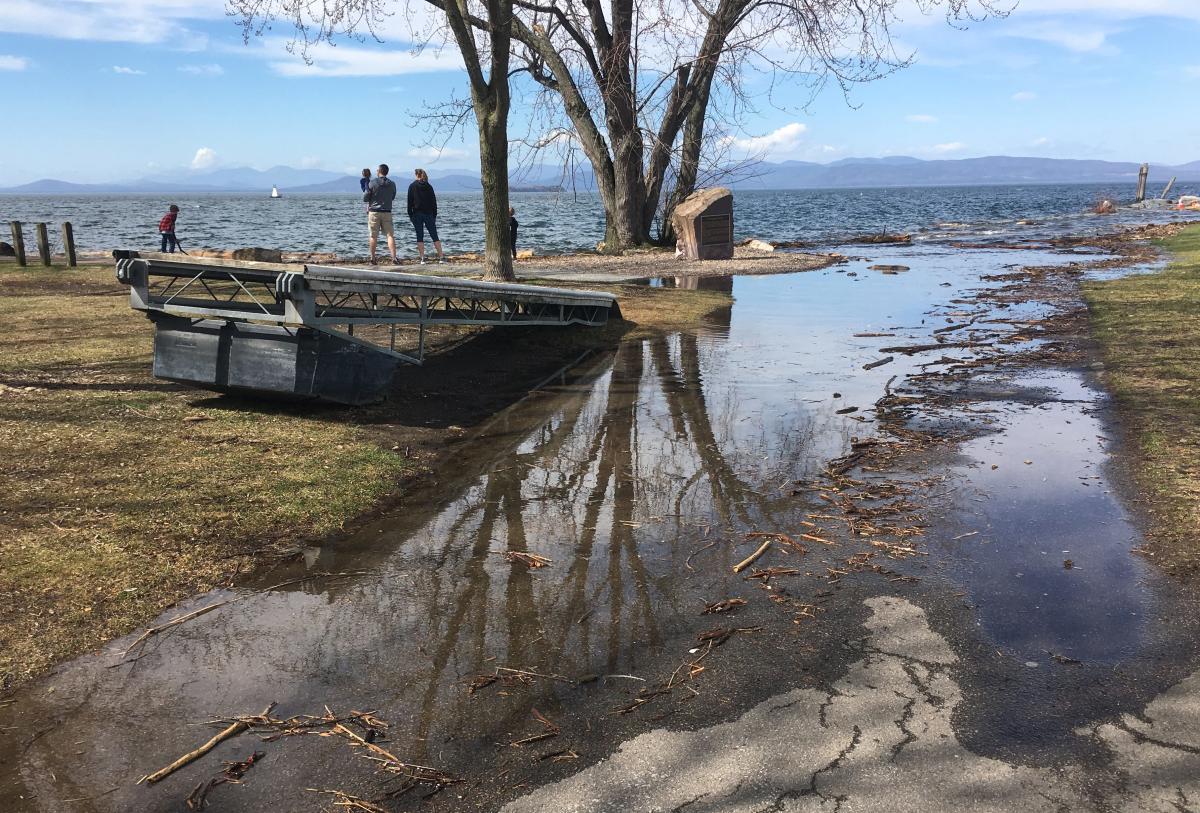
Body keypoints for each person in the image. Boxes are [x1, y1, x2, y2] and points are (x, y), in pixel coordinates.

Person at [407, 168, 444, 264]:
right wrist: (434, 215)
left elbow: (409, 202)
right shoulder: (429, 186)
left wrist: (410, 215)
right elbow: (434, 202)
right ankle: (441, 257)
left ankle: (422, 258)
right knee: (434, 236)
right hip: (429, 214)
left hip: (417, 214)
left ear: (416, 175)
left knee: (419, 236)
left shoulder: (412, 186)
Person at [363, 163, 398, 265]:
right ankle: (394, 258)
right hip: (387, 211)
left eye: (377, 170)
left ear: (379, 171)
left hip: (374, 212)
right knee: (390, 235)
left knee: (373, 236)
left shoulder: (372, 183)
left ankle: (373, 258)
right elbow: (393, 196)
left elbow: (365, 198)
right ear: (387, 172)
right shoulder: (392, 183)